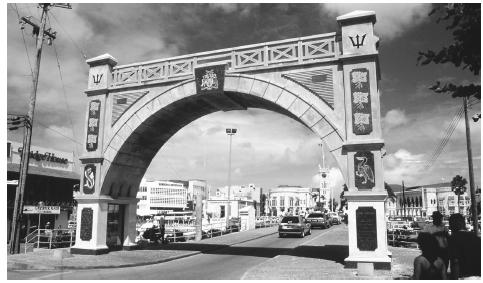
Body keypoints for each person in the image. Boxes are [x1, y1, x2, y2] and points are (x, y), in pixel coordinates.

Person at [448, 213, 481, 279]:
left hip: (463, 276)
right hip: (478, 276)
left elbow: (455, 262)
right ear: (464, 224)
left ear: (452, 226)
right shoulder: (476, 238)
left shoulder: (453, 239)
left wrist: (454, 279)